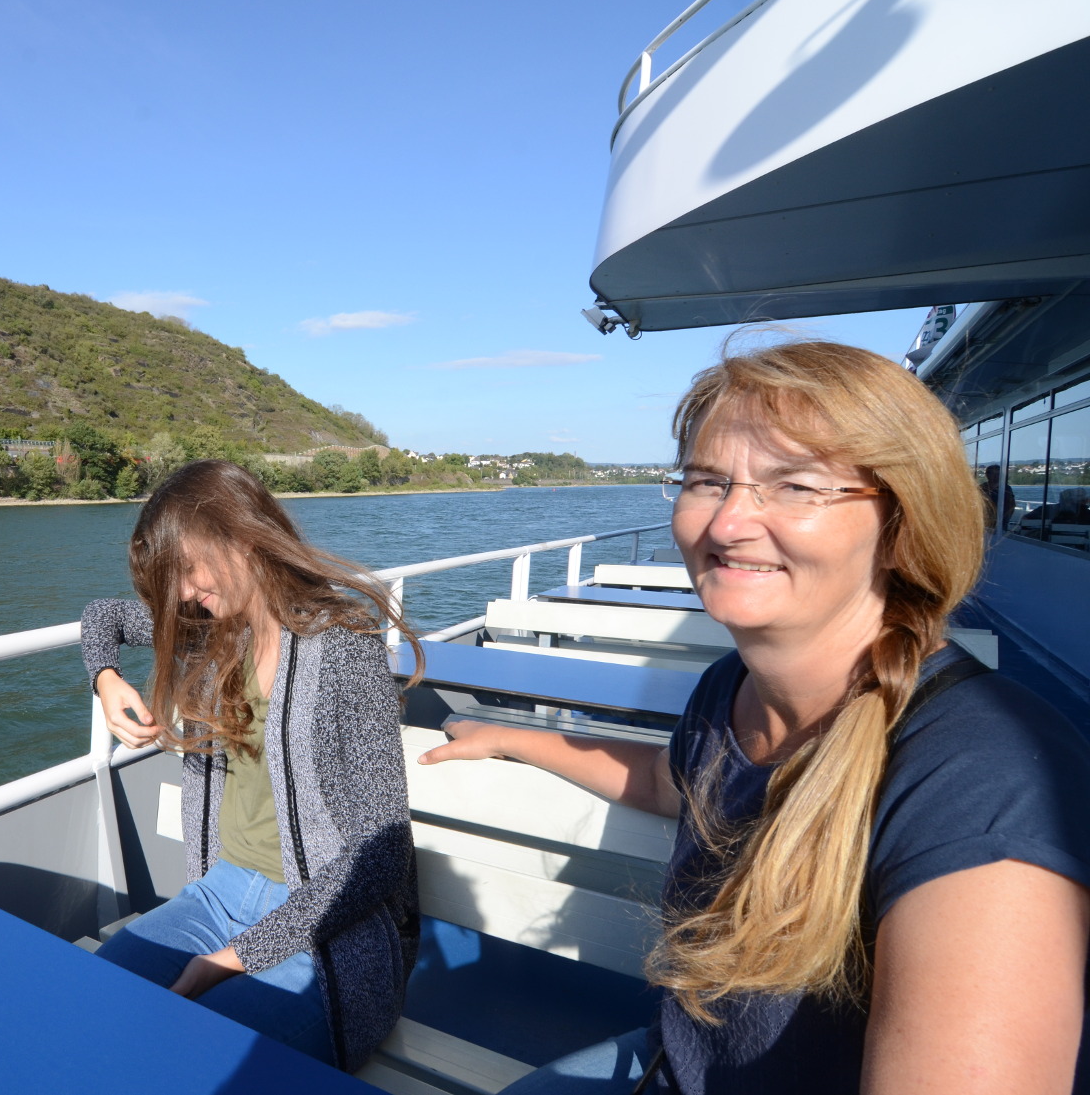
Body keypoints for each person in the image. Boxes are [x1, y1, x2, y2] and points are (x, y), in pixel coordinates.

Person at [422, 341, 1090, 1094]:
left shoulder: (983, 781)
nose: (731, 521)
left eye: (796, 484)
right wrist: (513, 735)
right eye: (709, 480)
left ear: (901, 526)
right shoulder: (729, 688)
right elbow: (671, 782)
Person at [80, 459, 422, 1072]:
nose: (183, 594)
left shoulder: (344, 643)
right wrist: (104, 679)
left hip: (329, 931)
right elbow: (100, 617)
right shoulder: (210, 632)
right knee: (85, 1004)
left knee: (202, 1060)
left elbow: (384, 856)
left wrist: (236, 957)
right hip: (217, 896)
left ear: (241, 535)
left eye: (188, 569)